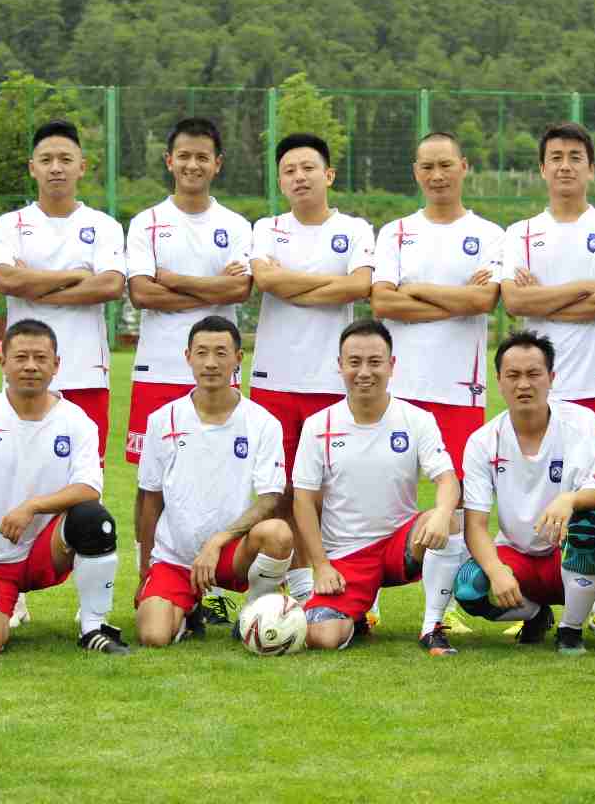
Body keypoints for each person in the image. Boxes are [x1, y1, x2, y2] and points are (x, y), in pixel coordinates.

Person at [500, 121, 595, 637]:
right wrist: (582, 288)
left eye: (575, 157)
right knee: (538, 495)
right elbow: (514, 302)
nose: (565, 166)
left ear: (592, 168)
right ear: (541, 168)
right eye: (555, 157)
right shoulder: (520, 232)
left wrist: (545, 299)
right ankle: (540, 600)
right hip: (537, 390)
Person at [369, 131, 502, 637]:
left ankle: (441, 611)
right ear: (415, 171)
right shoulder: (396, 232)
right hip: (399, 388)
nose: (437, 175)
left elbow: (483, 302)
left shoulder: (489, 234)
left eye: (446, 165)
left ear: (464, 167)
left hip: (459, 390)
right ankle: (367, 602)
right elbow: (383, 302)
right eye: (428, 166)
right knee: (381, 494)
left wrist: (417, 290)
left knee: (458, 501)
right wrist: (454, 297)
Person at [124, 117, 251, 626]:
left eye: (203, 157)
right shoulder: (146, 222)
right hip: (157, 368)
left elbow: (239, 290)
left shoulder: (236, 225)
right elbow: (141, 292)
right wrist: (209, 286)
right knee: (151, 483)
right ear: (169, 161)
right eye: (184, 156)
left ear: (217, 164)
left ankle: (213, 590)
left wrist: (173, 279)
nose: (193, 165)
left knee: (221, 478)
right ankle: (149, 574)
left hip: (219, 371)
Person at [248, 132, 374, 606]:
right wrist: (329, 284)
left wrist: (290, 285)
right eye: (289, 171)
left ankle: (349, 583)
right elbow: (265, 280)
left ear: (329, 175)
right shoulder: (267, 228)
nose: (299, 177)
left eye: (308, 168)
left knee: (333, 491)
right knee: (279, 491)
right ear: (280, 181)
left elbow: (359, 285)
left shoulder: (355, 229)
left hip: (332, 381)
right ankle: (291, 586)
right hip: (274, 381)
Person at [0, 319, 129, 655]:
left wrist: (32, 506)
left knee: (93, 518)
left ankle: (93, 627)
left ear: (56, 364)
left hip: (47, 551)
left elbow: (89, 487)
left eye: (40, 358)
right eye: (21, 357)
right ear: (2, 362)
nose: (31, 366)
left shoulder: (76, 420)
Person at [293, 319, 462, 654]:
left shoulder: (416, 419)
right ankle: (353, 617)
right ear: (340, 365)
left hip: (401, 546)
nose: (364, 372)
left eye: (375, 362)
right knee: (323, 638)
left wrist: (443, 513)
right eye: (354, 362)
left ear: (391, 365)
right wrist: (321, 565)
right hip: (347, 558)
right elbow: (302, 501)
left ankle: (432, 627)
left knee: (451, 520)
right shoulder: (318, 426)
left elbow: (446, 479)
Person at [135, 316, 292, 647]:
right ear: (188, 357)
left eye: (221, 353)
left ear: (238, 358)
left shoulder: (263, 422)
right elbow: (149, 498)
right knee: (153, 636)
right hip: (175, 558)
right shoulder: (162, 419)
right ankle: (190, 609)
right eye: (202, 352)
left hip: (231, 554)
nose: (210, 363)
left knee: (278, 534)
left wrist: (218, 541)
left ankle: (254, 610)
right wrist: (144, 571)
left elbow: (270, 499)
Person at [456, 331, 595, 655]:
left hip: (569, 553)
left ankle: (571, 630)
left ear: (551, 377)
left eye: (533, 374)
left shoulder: (582, 423)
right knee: (470, 587)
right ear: (499, 381)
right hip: (517, 556)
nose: (523, 384)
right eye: (513, 375)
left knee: (588, 524)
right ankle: (536, 615)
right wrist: (496, 571)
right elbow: (476, 525)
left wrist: (569, 499)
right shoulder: (483, 441)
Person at [0, 119, 125, 458]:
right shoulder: (9, 224)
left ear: (82, 167)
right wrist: (77, 276)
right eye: (46, 160)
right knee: (19, 470)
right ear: (32, 168)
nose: (56, 168)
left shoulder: (104, 225)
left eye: (65, 159)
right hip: (23, 374)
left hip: (86, 373)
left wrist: (33, 286)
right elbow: (7, 280)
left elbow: (111, 284)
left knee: (85, 474)